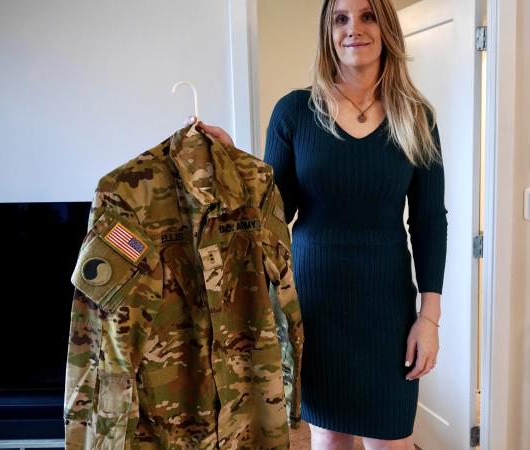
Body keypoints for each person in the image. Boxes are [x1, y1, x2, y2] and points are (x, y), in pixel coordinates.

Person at [198, 0, 446, 448]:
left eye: (368, 15)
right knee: (329, 439)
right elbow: (272, 213)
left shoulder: (417, 117)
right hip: (316, 303)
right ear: (327, 31)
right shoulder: (294, 112)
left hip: (386, 308)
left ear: (386, 26)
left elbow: (429, 222)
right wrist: (231, 163)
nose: (354, 28)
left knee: (392, 440)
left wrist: (429, 319)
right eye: (341, 18)